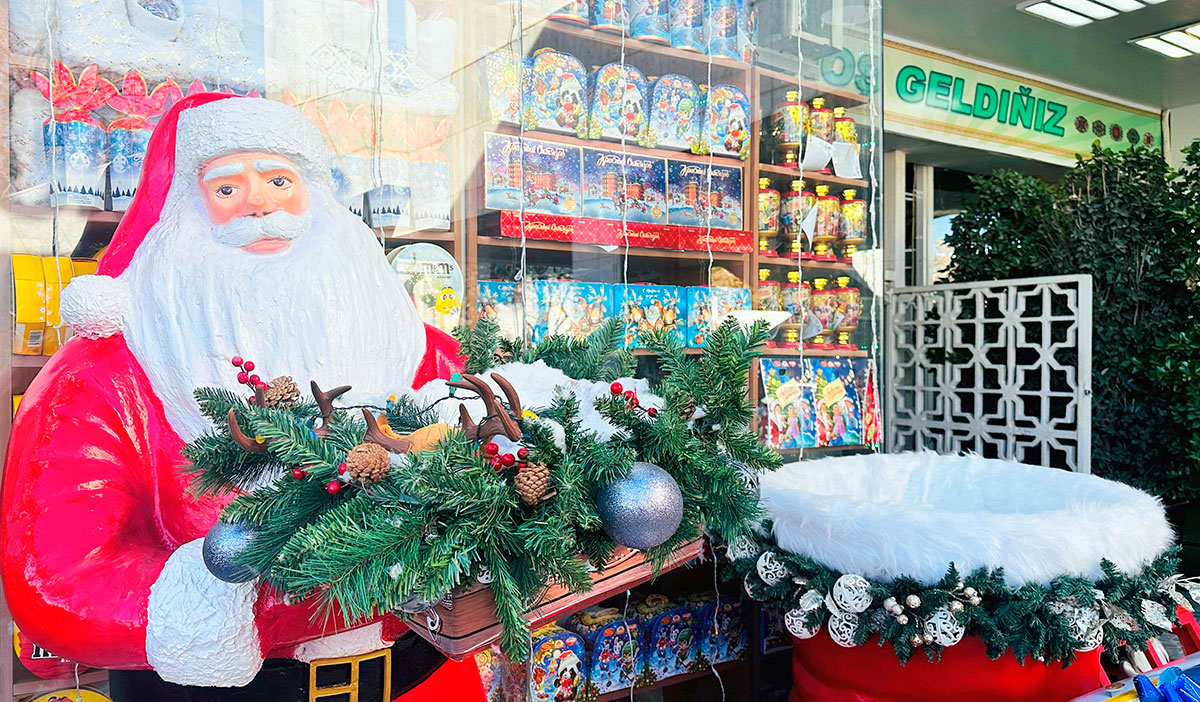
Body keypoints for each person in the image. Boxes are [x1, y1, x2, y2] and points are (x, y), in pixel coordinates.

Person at [0, 93, 481, 701]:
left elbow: (495, 486)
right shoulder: (103, 380)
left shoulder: (421, 350)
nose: (261, 204)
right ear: (178, 213)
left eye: (281, 180)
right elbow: (59, 581)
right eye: (226, 189)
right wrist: (267, 600)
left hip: (425, 682)